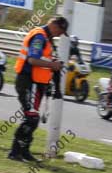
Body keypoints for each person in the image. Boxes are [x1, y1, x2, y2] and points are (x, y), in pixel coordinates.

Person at [9, 16, 69, 163]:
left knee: (32, 118)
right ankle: (15, 152)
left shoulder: (47, 39)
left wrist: (52, 65)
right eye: (60, 31)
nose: (60, 35)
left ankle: (23, 151)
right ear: (54, 25)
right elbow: (32, 59)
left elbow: (43, 60)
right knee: (32, 118)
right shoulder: (39, 36)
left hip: (36, 84)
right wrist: (52, 66)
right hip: (28, 81)